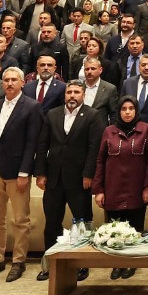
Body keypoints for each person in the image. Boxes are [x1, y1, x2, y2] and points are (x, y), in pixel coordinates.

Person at [0, 67, 43, 283]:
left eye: (14, 80)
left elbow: (32, 142)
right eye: (6, 80)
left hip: (17, 173)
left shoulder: (32, 107)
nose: (10, 83)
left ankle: (18, 261)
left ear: (23, 83)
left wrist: (25, 171)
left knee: (20, 220)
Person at [34, 80, 104, 282]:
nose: (72, 96)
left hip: (79, 179)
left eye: (76, 92)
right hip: (53, 179)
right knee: (51, 222)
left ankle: (83, 264)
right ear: (64, 95)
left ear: (83, 95)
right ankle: (50, 263)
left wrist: (89, 175)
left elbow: (94, 148)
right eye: (69, 92)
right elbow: (42, 144)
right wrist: (40, 173)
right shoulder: (53, 114)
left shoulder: (93, 115)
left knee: (82, 222)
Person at [92, 96, 148, 280]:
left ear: (136, 111)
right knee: (114, 229)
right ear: (118, 111)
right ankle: (117, 263)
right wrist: (99, 190)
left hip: (136, 188)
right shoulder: (109, 131)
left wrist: (147, 187)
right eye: (123, 109)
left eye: (131, 109)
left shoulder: (146, 130)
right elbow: (100, 160)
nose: (127, 112)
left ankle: (131, 263)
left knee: (134, 228)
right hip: (113, 188)